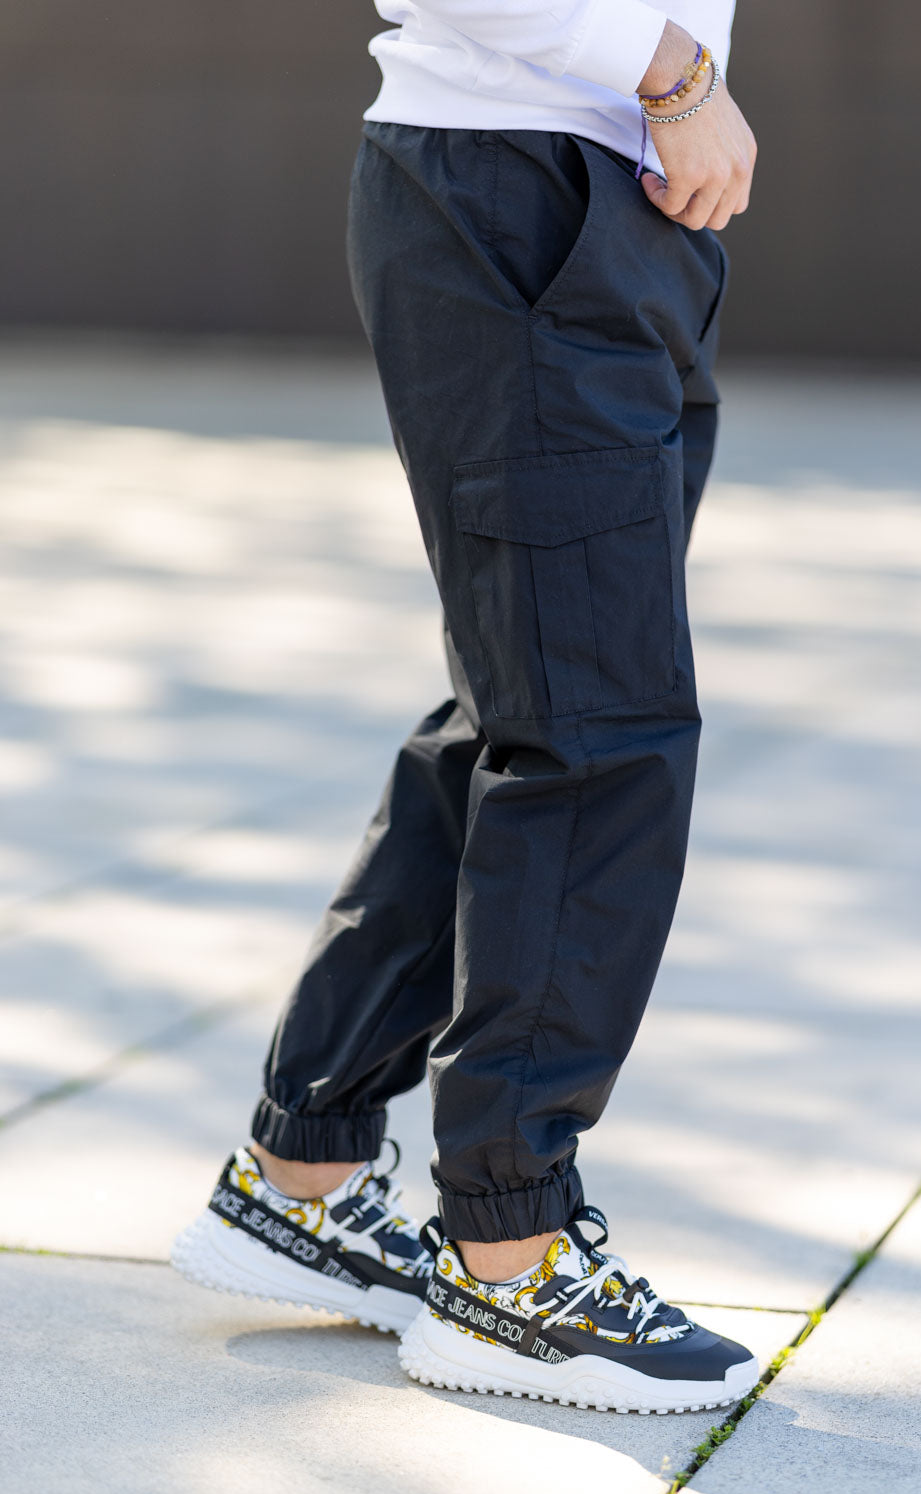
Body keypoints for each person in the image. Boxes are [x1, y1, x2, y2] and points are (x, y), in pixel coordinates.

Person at [172, 0, 759, 1415]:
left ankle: (303, 1170)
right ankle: (508, 1258)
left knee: (531, 694)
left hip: (589, 194)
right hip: (526, 185)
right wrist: (673, 74)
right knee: (591, 728)